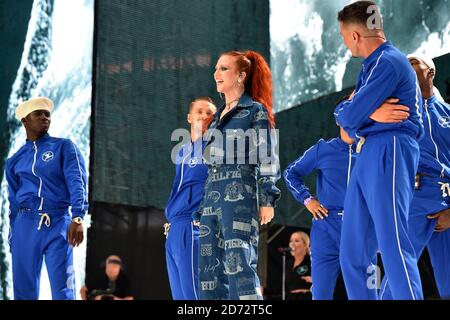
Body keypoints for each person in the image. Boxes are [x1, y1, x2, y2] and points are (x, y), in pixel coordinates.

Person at [334, 1, 424, 300]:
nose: (344, 43)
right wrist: (368, 112)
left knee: (393, 244)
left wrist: (359, 111)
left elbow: (347, 117)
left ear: (356, 36)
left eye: (344, 36)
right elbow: (346, 114)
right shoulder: (374, 65)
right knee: (352, 252)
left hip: (391, 147)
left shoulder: (387, 62)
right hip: (369, 151)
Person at [195, 50, 281, 300]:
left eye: (223, 68)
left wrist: (267, 199)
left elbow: (266, 156)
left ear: (241, 75)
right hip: (212, 200)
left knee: (239, 265)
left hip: (240, 196)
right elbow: (210, 167)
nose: (216, 74)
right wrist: (202, 208)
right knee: (208, 273)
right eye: (216, 68)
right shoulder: (215, 120)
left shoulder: (255, 111)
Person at [378, 55, 450, 300]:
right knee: (399, 275)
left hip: (447, 202)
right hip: (414, 200)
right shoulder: (394, 114)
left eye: (412, 63)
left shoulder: (447, 114)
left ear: (430, 72)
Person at [6, 97, 88, 300]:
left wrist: (78, 217)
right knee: (24, 293)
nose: (44, 117)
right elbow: (13, 203)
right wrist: (12, 236)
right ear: (25, 121)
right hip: (25, 226)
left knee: (64, 291)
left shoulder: (64, 147)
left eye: (47, 114)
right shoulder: (14, 160)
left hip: (58, 222)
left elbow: (77, 181)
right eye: (38, 114)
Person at [284, 120, 356, 300]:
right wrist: (307, 199)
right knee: (320, 293)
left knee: (364, 290)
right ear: (340, 118)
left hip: (358, 227)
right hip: (325, 228)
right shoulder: (324, 149)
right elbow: (290, 173)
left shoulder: (371, 150)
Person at [164, 97, 216, 300]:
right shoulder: (183, 152)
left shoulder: (217, 149)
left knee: (195, 295)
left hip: (194, 226)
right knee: (180, 298)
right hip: (173, 229)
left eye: (210, 113)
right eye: (200, 111)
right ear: (189, 117)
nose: (204, 116)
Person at [285, 231, 312, 300]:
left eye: (296, 241)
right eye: (291, 241)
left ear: (305, 244)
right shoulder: (288, 263)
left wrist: (314, 280)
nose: (292, 244)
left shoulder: (311, 262)